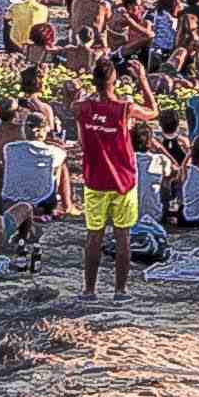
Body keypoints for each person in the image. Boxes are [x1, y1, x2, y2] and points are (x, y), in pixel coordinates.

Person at [69, 57, 144, 304]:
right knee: (123, 238)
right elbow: (153, 112)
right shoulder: (125, 108)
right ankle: (120, 291)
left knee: (94, 237)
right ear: (114, 81)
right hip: (123, 179)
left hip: (95, 178)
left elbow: (80, 139)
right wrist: (143, 80)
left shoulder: (80, 108)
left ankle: (89, 290)